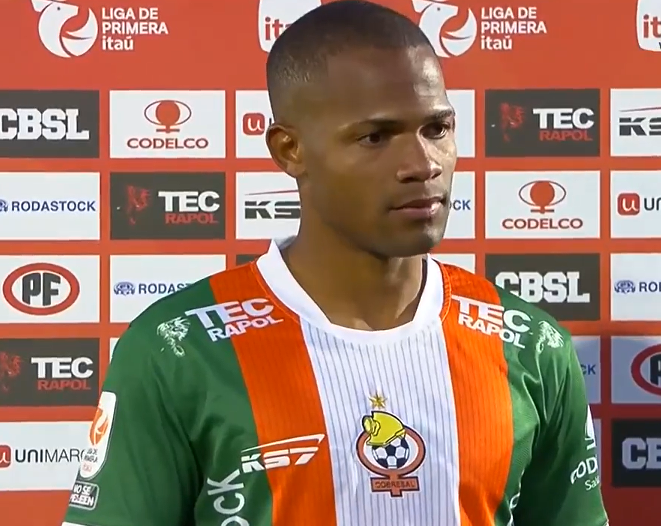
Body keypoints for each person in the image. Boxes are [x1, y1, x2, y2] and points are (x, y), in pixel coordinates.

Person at [62, 2, 608, 525]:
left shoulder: (530, 346)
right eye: (375, 137)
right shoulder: (178, 350)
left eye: (436, 129)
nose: (422, 164)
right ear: (289, 150)